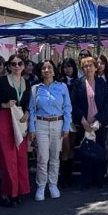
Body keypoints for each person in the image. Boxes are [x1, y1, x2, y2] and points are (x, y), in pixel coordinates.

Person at [0, 54, 31, 207]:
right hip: (4, 120)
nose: (17, 66)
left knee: (20, 157)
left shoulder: (26, 82)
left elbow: (27, 103)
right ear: (9, 66)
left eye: (20, 63)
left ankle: (18, 191)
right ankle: (6, 193)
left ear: (23, 66)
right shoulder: (1, 82)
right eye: (13, 64)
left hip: (19, 120)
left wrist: (27, 113)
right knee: (7, 158)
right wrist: (4, 105)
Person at [28, 60, 72, 201]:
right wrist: (32, 128)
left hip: (57, 123)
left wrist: (66, 126)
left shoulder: (62, 87)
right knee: (42, 157)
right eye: (44, 68)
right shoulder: (35, 88)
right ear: (40, 71)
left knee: (54, 156)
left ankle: (53, 184)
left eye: (49, 67)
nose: (47, 70)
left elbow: (67, 107)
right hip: (41, 124)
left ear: (54, 70)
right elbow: (31, 109)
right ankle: (41, 186)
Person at [71, 56, 108, 189]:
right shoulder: (78, 83)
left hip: (99, 124)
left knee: (99, 152)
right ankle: (86, 181)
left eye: (90, 66)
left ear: (95, 68)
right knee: (86, 153)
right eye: (85, 66)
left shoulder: (101, 83)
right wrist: (83, 120)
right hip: (84, 124)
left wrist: (99, 120)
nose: (88, 68)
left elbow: (106, 103)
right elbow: (74, 103)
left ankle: (99, 180)